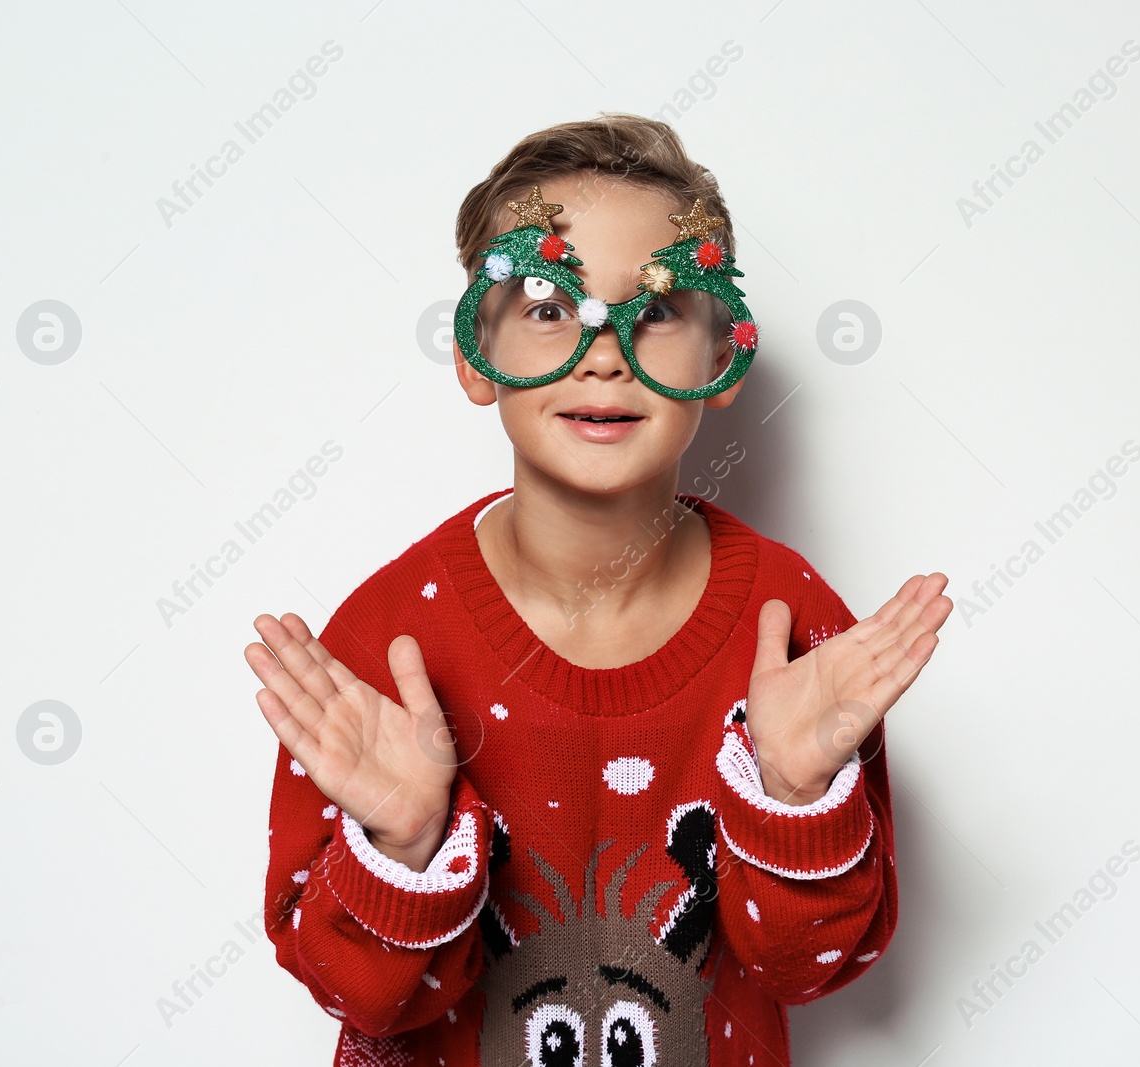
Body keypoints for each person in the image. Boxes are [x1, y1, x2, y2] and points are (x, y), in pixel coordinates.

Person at [244, 112, 952, 1066]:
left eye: (657, 307)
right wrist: (402, 847)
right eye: (547, 304)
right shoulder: (389, 639)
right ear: (471, 353)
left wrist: (793, 796)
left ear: (724, 352)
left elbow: (809, 968)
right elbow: (350, 988)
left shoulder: (791, 627)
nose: (604, 351)